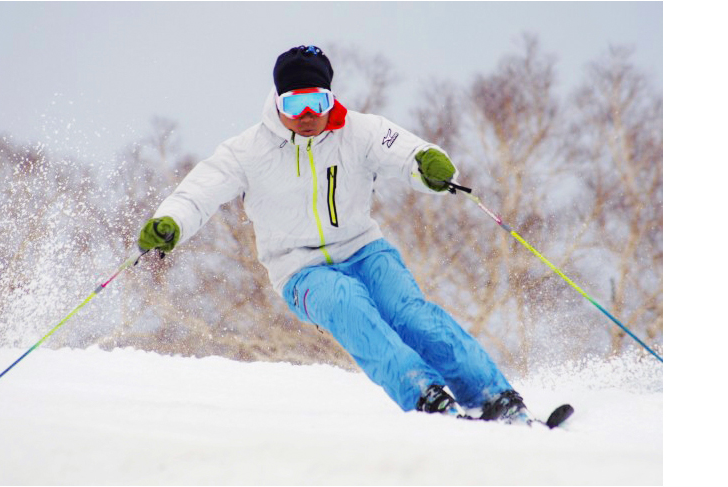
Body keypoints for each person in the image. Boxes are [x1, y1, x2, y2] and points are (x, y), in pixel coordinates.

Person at [137, 45, 530, 423]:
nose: (307, 114)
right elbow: (197, 194)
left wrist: (429, 166)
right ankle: (425, 396)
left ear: (330, 99)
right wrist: (170, 222)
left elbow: (409, 154)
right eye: (295, 104)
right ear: (277, 103)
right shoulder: (247, 151)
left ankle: (493, 396)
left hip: (364, 250)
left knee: (412, 317)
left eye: (317, 102)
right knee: (348, 305)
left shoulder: (361, 131)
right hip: (299, 269)